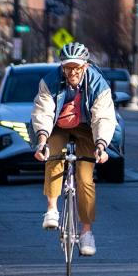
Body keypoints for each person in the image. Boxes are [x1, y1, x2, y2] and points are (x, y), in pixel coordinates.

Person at [31, 42, 117, 257]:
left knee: (86, 178)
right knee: (53, 157)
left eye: (77, 67)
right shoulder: (49, 82)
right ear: (62, 67)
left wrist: (101, 145)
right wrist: (42, 141)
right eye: (68, 67)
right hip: (58, 126)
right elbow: (43, 112)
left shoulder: (99, 85)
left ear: (85, 67)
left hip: (87, 127)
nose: (72, 72)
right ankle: (52, 209)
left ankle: (86, 232)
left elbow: (103, 117)